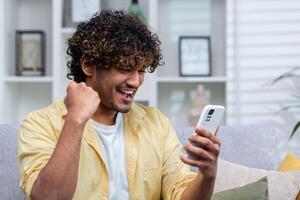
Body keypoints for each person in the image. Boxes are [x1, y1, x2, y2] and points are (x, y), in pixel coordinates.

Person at [18, 10, 221, 200]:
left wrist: (207, 175)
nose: (136, 81)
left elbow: (179, 193)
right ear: (88, 65)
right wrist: (75, 120)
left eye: (141, 70)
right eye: (125, 68)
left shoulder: (157, 124)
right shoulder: (40, 124)